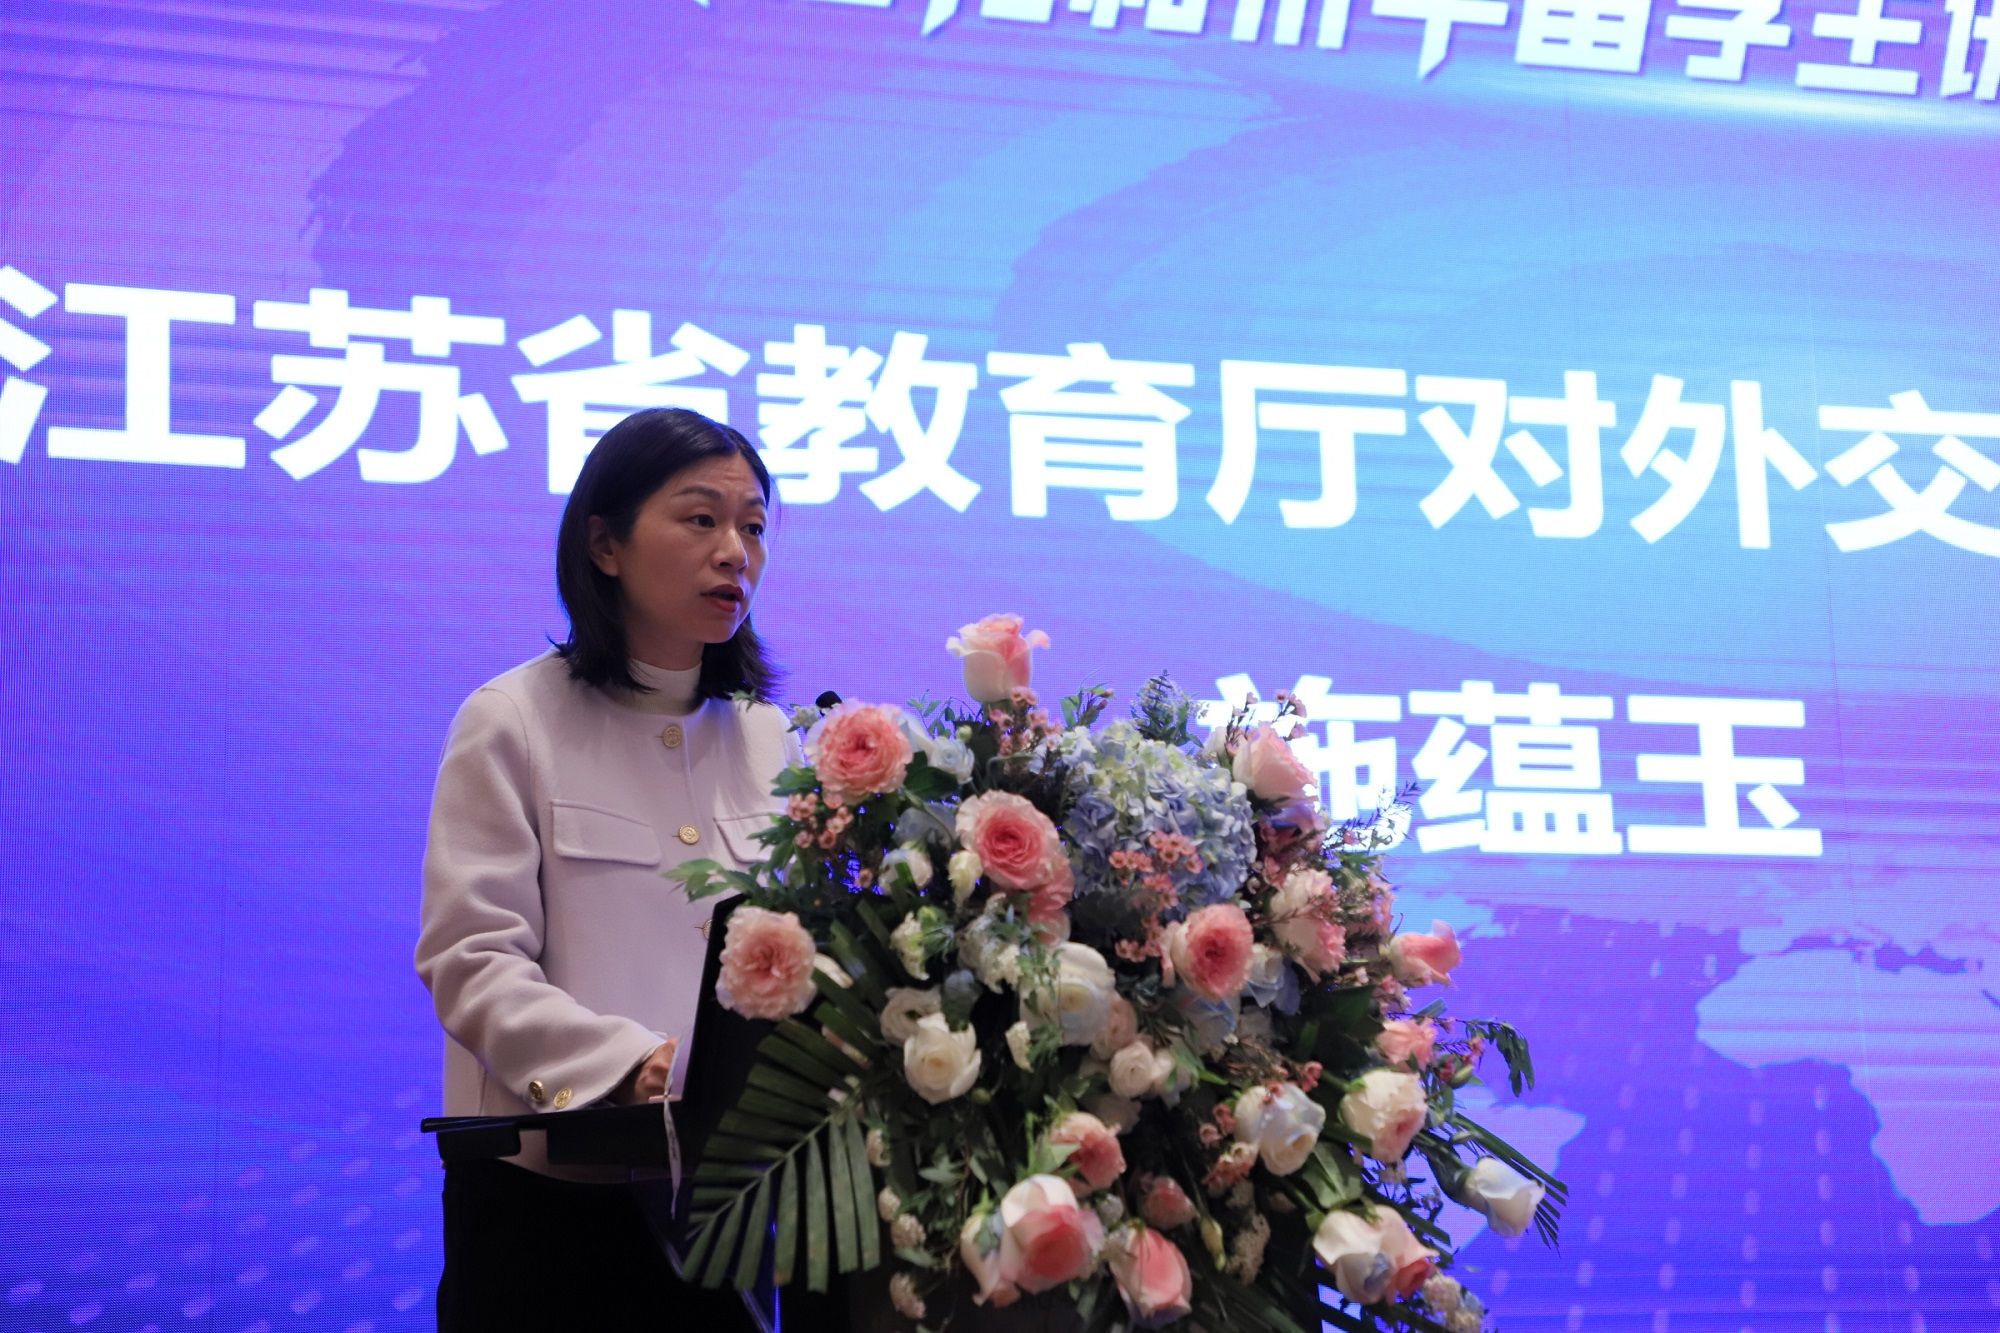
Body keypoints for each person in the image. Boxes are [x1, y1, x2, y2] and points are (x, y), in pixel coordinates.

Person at [415, 408, 792, 1331]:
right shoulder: (512, 718)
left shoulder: (766, 736)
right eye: (700, 519)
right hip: (551, 1213)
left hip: (729, 1206)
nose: (734, 552)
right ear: (604, 544)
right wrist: (626, 1065)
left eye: (752, 526)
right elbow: (472, 959)